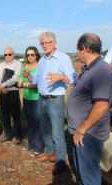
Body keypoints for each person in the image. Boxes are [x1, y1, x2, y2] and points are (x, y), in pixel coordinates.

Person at [22, 32, 76, 174]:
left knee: (57, 133)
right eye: (42, 43)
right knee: (44, 129)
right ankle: (50, 153)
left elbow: (72, 78)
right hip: (42, 98)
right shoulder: (42, 61)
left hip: (56, 100)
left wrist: (61, 77)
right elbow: (36, 80)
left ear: (54, 43)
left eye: (47, 42)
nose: (45, 45)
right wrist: (29, 76)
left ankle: (60, 162)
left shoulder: (63, 58)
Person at [67, 33, 112, 185]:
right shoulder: (89, 69)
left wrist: (82, 129)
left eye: (78, 49)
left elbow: (101, 105)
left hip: (88, 134)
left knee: (89, 178)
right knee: (82, 174)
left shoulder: (101, 71)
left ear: (84, 48)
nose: (78, 53)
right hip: (81, 133)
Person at [18, 46, 44, 156]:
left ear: (36, 55)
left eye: (32, 54)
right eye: (28, 55)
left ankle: (38, 147)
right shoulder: (25, 67)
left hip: (37, 99)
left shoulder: (40, 67)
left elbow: (37, 84)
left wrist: (24, 85)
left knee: (37, 123)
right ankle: (31, 144)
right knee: (30, 122)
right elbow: (19, 82)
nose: (30, 57)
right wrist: (24, 85)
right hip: (27, 98)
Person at [0, 47, 22, 145]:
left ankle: (18, 136)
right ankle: (8, 135)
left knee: (16, 115)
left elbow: (16, 78)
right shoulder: (1, 65)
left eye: (9, 54)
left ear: (13, 54)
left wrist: (4, 85)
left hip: (13, 92)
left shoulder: (18, 64)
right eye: (5, 55)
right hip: (3, 92)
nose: (7, 56)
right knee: (5, 115)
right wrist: (2, 87)